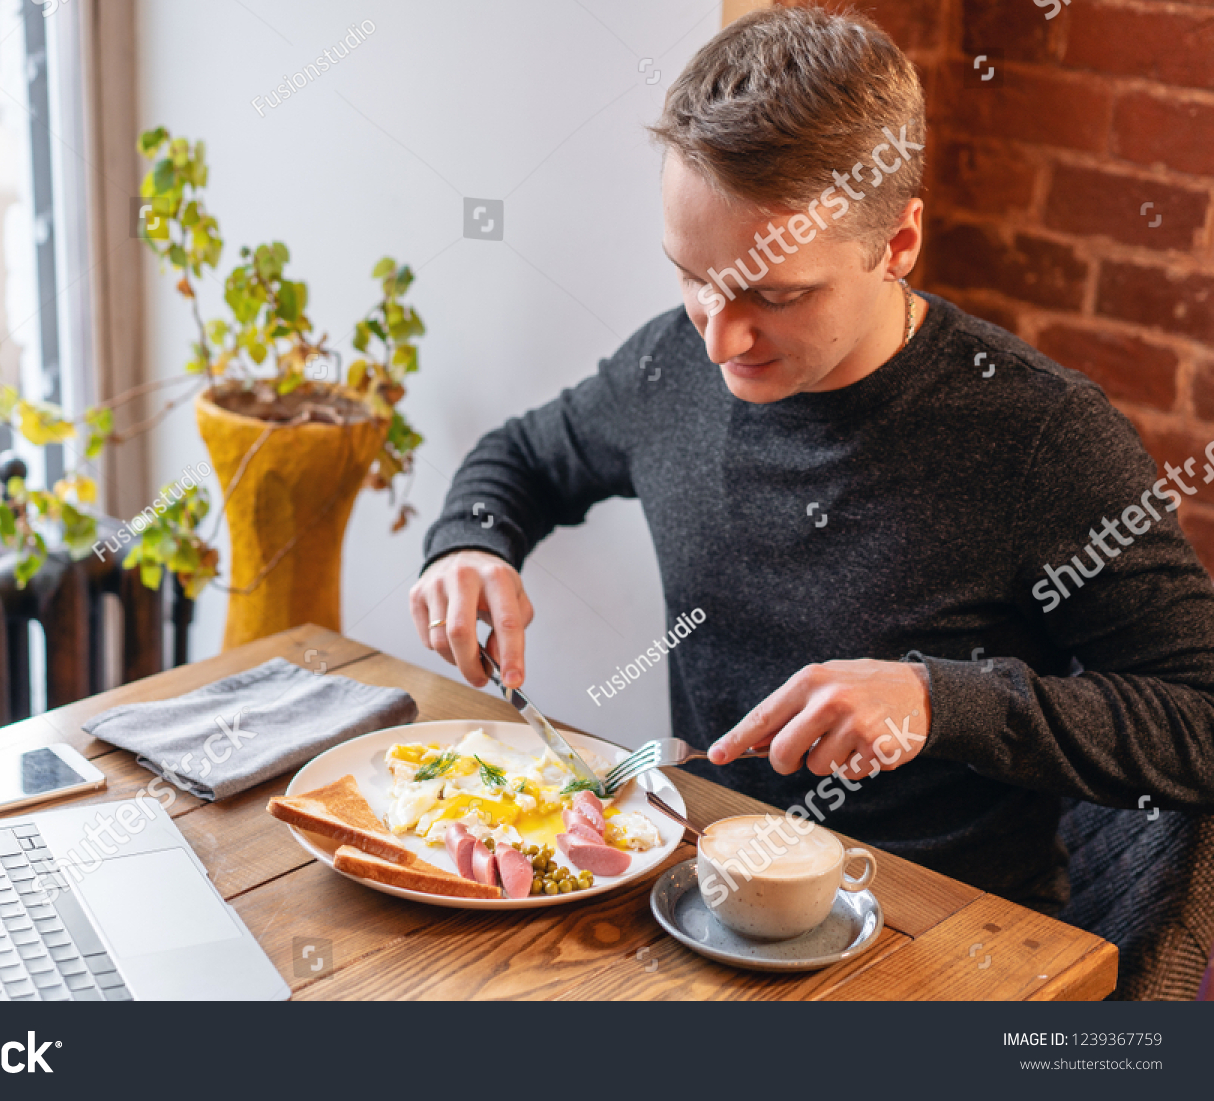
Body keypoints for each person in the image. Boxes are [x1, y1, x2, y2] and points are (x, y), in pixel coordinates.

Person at [408, 5, 1214, 913]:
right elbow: (522, 457)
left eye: (775, 295)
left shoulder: (1042, 435)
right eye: (691, 276)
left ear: (897, 244)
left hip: (944, 935)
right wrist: (469, 545)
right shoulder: (670, 362)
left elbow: (1199, 717)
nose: (718, 339)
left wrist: (934, 699)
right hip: (705, 889)